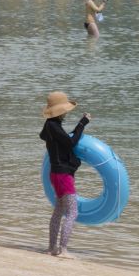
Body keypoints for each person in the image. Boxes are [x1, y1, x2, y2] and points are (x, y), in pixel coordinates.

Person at [40, 91, 90, 257]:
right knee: (72, 212)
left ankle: (52, 247)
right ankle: (63, 249)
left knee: (58, 212)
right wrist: (82, 123)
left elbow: (63, 139)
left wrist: (80, 125)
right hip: (63, 176)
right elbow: (70, 142)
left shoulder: (49, 126)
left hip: (55, 174)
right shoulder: (54, 126)